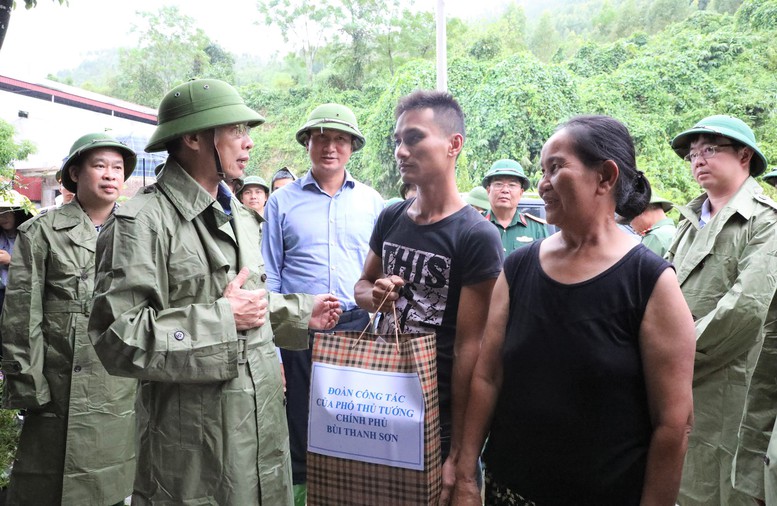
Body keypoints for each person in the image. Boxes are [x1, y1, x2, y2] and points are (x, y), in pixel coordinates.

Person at [87, 78, 342, 506]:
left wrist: (297, 313)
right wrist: (222, 319)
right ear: (193, 138)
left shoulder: (241, 215)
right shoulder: (141, 222)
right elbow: (117, 336)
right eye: (236, 132)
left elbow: (242, 302)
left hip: (260, 427)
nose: (248, 144)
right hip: (196, 444)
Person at [451, 115, 695, 506]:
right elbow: (488, 374)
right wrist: (466, 476)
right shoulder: (518, 269)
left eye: (556, 167)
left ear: (605, 176)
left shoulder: (649, 282)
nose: (543, 183)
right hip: (509, 491)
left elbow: (673, 425)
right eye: (542, 170)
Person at [353, 90, 504, 502]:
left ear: (453, 145)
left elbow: (471, 350)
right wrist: (377, 298)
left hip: (435, 415)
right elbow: (362, 287)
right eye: (397, 140)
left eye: (414, 138)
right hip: (378, 399)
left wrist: (460, 454)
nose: (401, 150)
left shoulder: (476, 237)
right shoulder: (391, 216)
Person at [0, 133, 138, 505]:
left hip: (121, 379)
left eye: (118, 168)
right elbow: (21, 314)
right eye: (100, 166)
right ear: (75, 173)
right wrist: (30, 384)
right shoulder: (40, 231)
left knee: (115, 480)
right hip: (60, 381)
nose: (110, 175)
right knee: (49, 482)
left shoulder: (138, 230)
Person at [262, 102, 384, 506]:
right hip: (300, 328)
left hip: (356, 326)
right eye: (321, 138)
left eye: (340, 139)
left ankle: (351, 494)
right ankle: (301, 496)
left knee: (354, 420)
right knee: (300, 417)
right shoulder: (281, 202)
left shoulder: (372, 202)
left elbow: (380, 270)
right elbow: (272, 274)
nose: (330, 147)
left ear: (352, 146)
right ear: (307, 144)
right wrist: (277, 345)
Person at [666, 115, 777, 506]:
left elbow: (744, 310)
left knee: (721, 484)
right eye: (693, 153)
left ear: (744, 155)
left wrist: (667, 357)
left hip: (726, 380)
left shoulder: (764, 221)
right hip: (675, 377)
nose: (698, 159)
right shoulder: (688, 219)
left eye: (710, 149)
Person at [483, 159, 549, 255]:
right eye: (498, 184)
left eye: (512, 185)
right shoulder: (474, 225)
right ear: (488, 190)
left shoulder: (537, 228)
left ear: (521, 192)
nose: (505, 190)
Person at [0, 189, 35, 311]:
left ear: (17, 212)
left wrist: (11, 260)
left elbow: (37, 266)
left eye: (6, 212)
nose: (2, 217)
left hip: (20, 295)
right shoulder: (2, 236)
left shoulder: (31, 236)